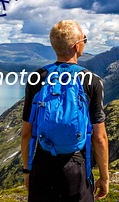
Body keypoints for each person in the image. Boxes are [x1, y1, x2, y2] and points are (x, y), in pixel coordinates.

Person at [21, 20, 109, 202]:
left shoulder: (37, 77)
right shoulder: (91, 81)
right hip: (76, 167)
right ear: (77, 46)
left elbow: (26, 133)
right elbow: (99, 137)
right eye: (85, 39)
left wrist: (27, 170)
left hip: (43, 164)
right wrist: (104, 177)